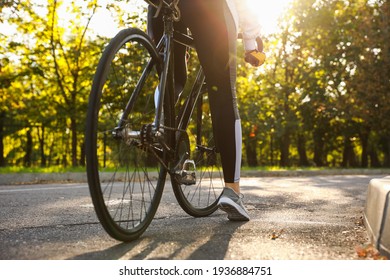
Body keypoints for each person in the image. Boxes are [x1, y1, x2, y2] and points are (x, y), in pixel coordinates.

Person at [147, 0, 265, 221]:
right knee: (222, 91)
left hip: (160, 5)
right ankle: (233, 191)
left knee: (172, 78)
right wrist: (251, 40)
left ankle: (163, 130)